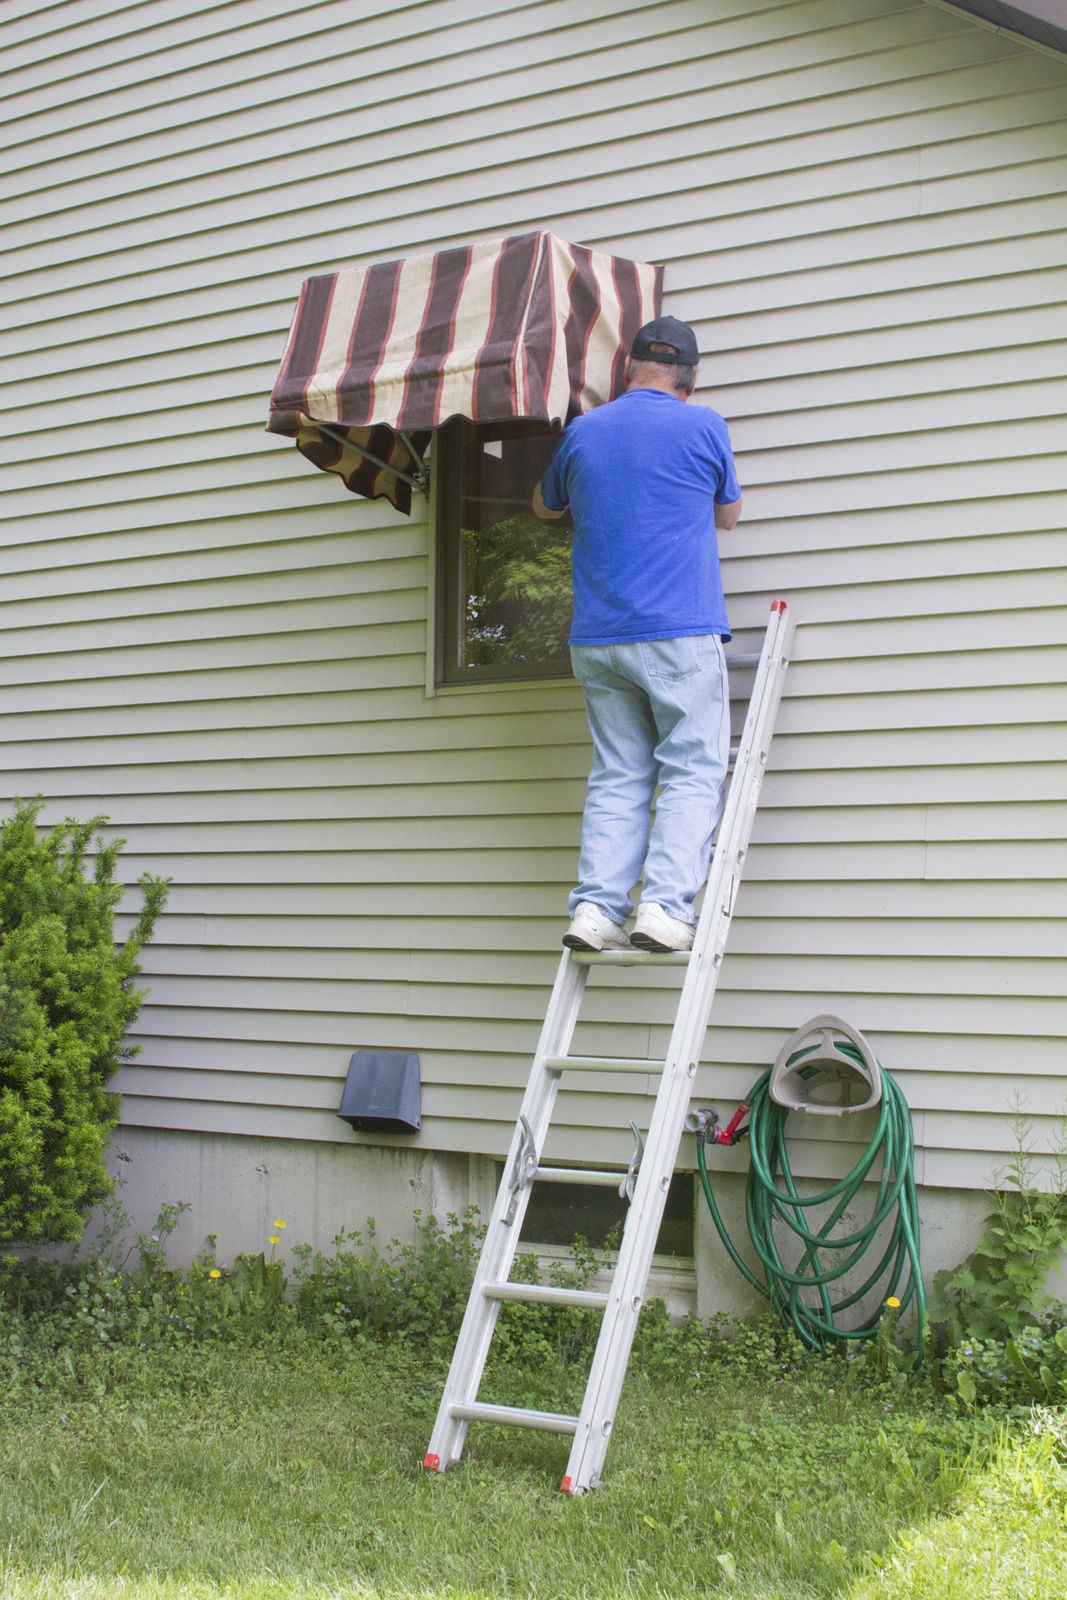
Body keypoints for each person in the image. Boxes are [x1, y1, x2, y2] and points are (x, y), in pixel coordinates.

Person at [532, 315, 742, 953]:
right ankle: (664, 910)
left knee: (620, 773)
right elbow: (729, 514)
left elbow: (544, 507)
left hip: (599, 636)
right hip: (678, 628)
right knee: (692, 767)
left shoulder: (583, 430)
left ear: (628, 371)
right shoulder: (703, 425)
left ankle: (597, 910)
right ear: (689, 378)